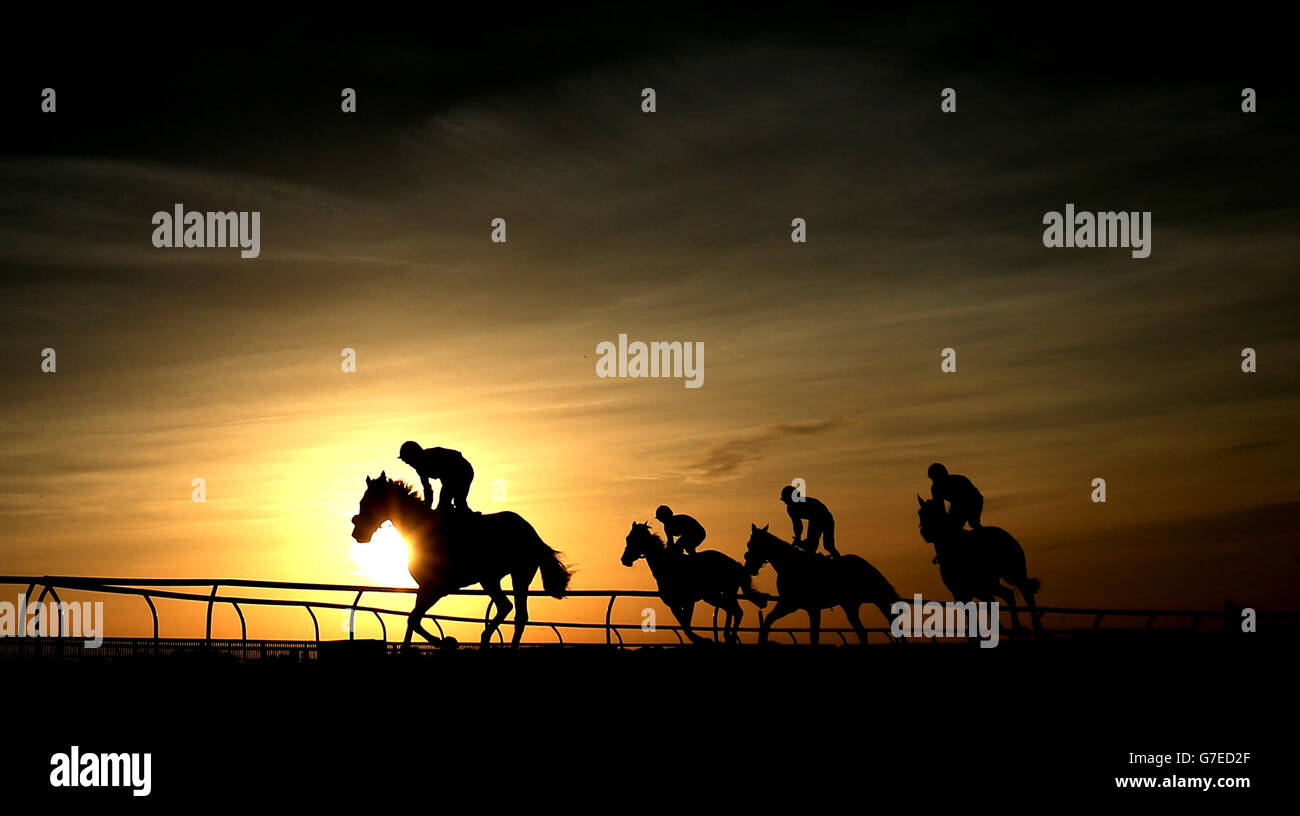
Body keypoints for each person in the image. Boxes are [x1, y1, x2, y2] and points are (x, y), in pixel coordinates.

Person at [398, 441, 475, 513]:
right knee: (445, 506)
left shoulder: (432, 456)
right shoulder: (420, 469)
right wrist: (427, 506)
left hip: (463, 470)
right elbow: (427, 488)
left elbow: (447, 477)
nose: (408, 464)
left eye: (407, 460)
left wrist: (442, 503)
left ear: (414, 456)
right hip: (450, 476)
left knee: (458, 502)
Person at [779, 485, 838, 557]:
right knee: (814, 546)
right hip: (817, 519)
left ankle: (839, 562)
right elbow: (797, 524)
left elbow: (801, 524)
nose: (785, 503)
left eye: (786, 500)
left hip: (824, 518)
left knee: (827, 546)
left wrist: (799, 540)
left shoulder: (805, 503)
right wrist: (798, 538)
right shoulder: (790, 508)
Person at [927, 463, 982, 531]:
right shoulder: (935, 488)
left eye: (935, 477)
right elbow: (940, 506)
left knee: (973, 523)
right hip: (957, 504)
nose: (934, 481)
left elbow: (964, 501)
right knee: (951, 526)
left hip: (974, 500)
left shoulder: (959, 480)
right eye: (933, 478)